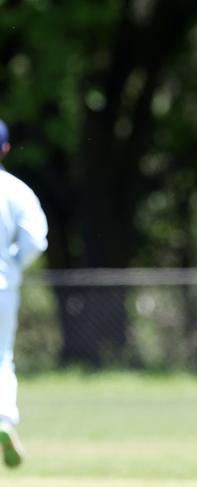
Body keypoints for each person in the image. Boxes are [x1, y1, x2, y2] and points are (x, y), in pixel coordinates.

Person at [0, 119, 48, 468]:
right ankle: (3, 421)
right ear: (5, 149)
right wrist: (12, 265)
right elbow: (35, 239)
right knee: (1, 359)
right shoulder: (15, 190)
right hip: (2, 284)